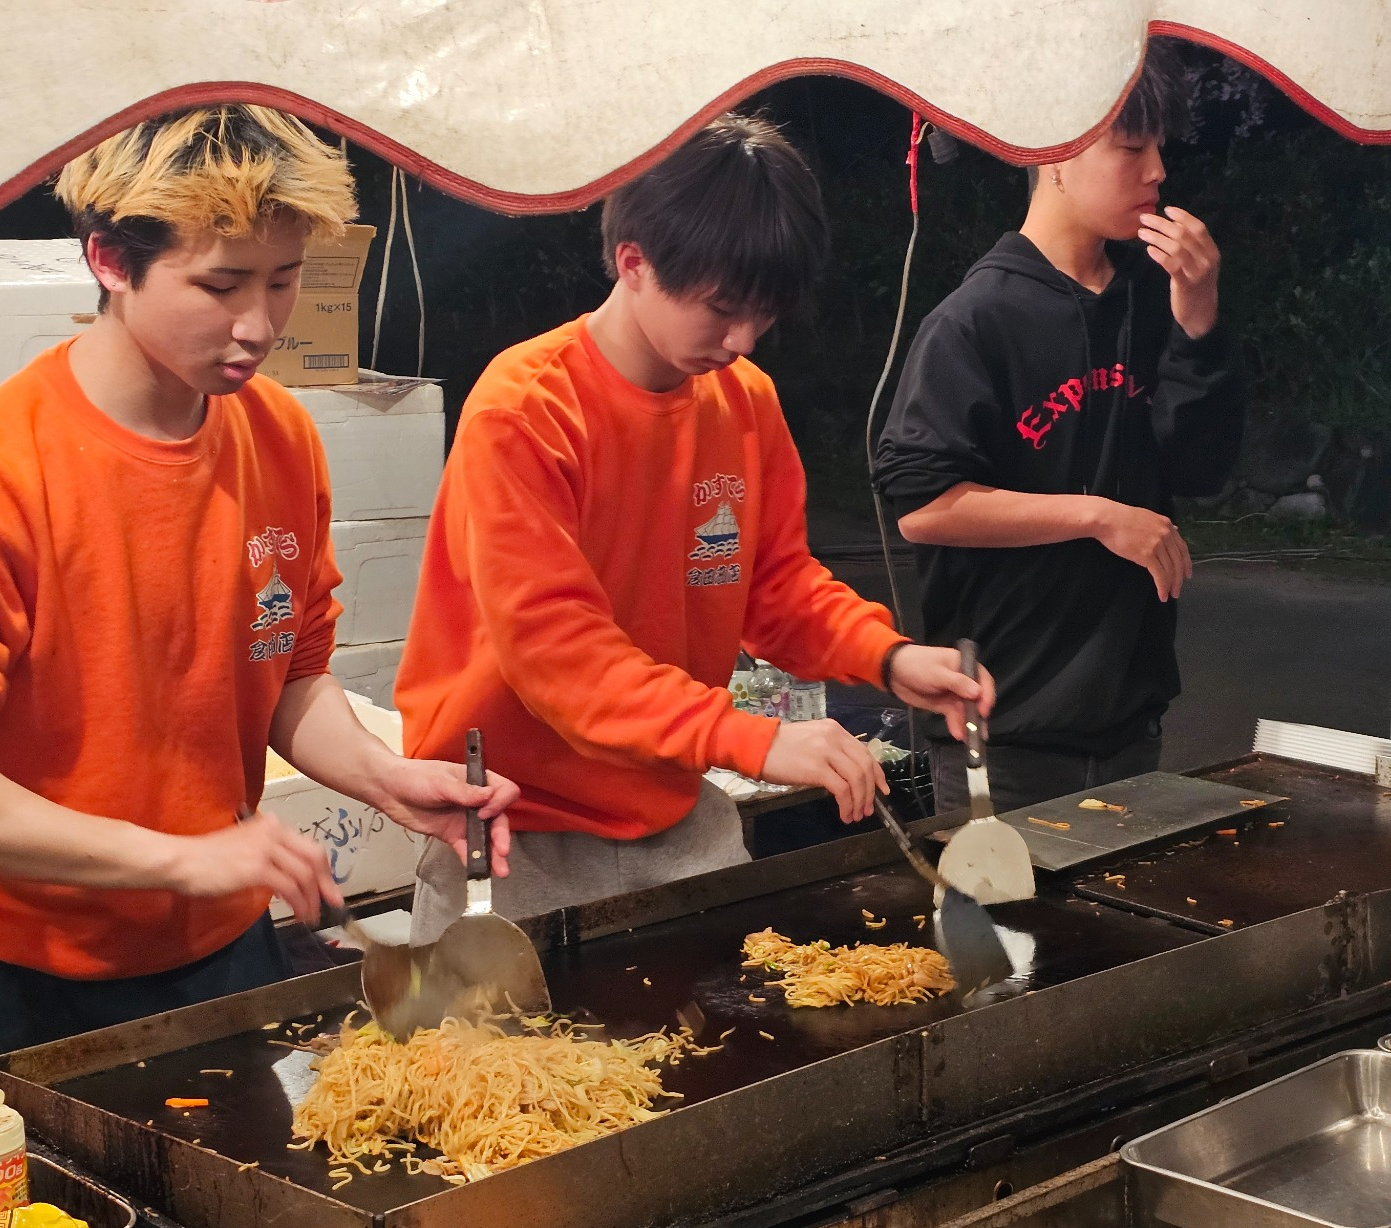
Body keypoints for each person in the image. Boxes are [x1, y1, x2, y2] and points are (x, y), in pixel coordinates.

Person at [0, 106, 517, 1109]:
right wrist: (180, 857)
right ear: (110, 260)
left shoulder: (277, 437)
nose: (258, 324)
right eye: (219, 284)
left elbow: (292, 677)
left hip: (217, 952)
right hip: (16, 980)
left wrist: (385, 776)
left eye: (283, 281)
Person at [397, 113, 990, 934]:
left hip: (674, 810)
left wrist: (887, 657)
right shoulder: (527, 408)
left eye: (765, 314)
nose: (742, 338)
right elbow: (556, 652)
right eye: (720, 307)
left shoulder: (745, 401)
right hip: (512, 830)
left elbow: (777, 587)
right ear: (633, 263)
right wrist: (752, 738)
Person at [873, 44, 1244, 814]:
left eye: (1161, 150)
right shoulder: (975, 322)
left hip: (1131, 722)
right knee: (1005, 936)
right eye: (1131, 147)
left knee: (1128, 936)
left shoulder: (1155, 297)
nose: (1157, 173)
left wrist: (1199, 319)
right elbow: (923, 505)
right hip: (1003, 736)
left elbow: (1200, 470)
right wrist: (1097, 517)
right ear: (1054, 157)